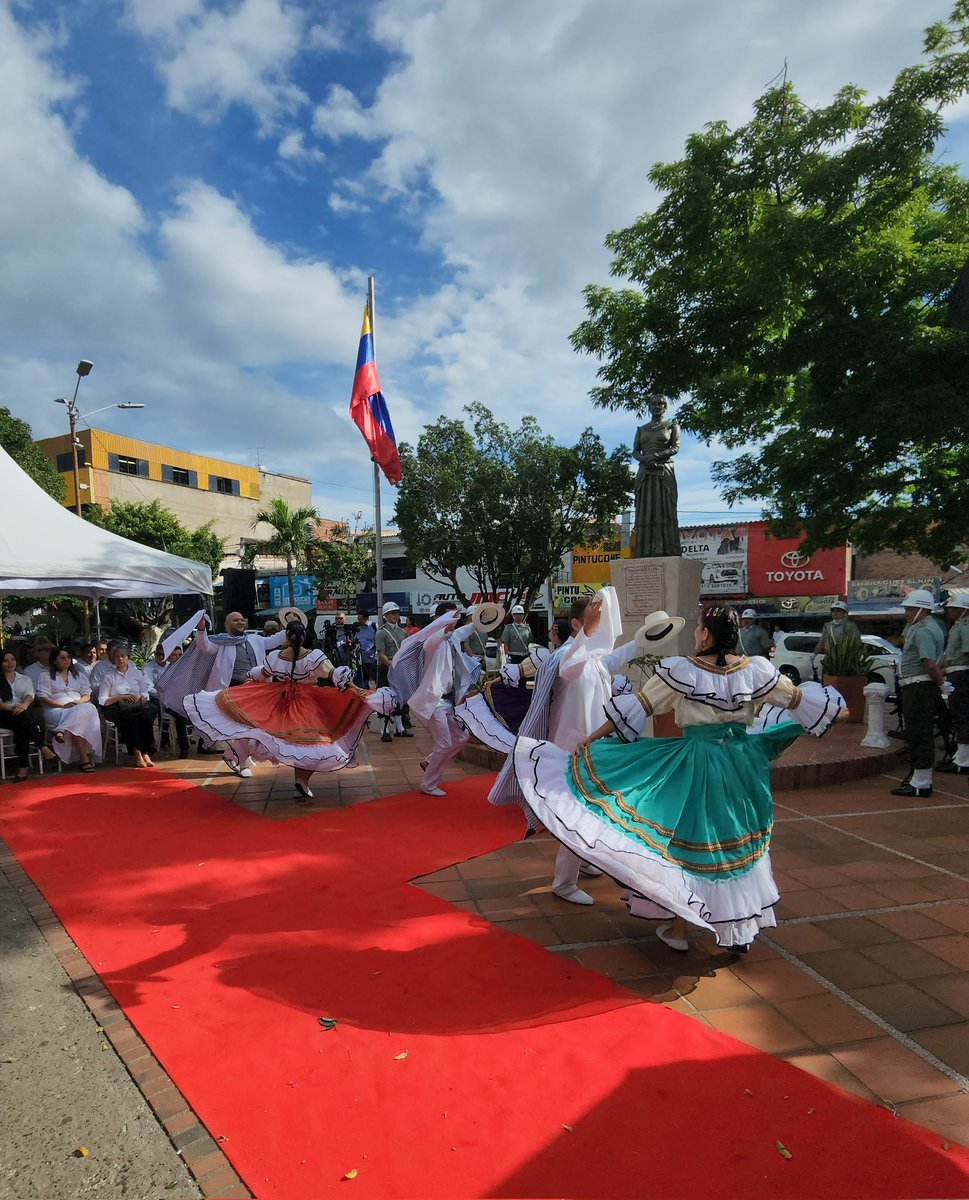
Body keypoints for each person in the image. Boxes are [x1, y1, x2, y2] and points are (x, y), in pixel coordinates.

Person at [513, 605, 845, 951]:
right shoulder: (756, 670)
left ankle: (681, 932)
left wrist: (590, 739)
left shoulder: (683, 671)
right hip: (744, 764)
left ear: (704, 634)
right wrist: (839, 709)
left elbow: (638, 707)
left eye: (698, 627)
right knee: (738, 843)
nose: (696, 633)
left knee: (697, 847)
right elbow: (799, 700)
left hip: (700, 763)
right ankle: (739, 931)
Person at [490, 589, 658, 905]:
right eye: (597, 622)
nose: (604, 628)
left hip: (591, 747)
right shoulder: (565, 656)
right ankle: (564, 883)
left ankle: (583, 862)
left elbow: (610, 660)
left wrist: (642, 641)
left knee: (590, 810)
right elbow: (571, 667)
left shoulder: (590, 657)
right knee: (577, 815)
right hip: (569, 749)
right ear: (580, 624)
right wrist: (590, 631)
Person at [183, 619, 396, 800]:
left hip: (279, 701)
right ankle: (301, 780)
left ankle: (239, 755)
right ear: (304, 636)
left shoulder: (276, 657)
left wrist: (249, 679)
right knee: (311, 744)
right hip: (307, 703)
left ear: (288, 636)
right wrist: (356, 690)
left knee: (260, 731)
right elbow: (333, 675)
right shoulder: (314, 656)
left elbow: (261, 675)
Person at [156, 610, 287, 768]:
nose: (240, 622)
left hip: (256, 689)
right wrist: (202, 629)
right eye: (235, 620)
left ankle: (234, 755)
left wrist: (292, 625)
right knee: (239, 726)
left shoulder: (256, 639)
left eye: (241, 620)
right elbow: (204, 645)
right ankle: (241, 760)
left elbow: (275, 640)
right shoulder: (220, 642)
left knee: (254, 726)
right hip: (231, 690)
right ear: (227, 625)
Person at [391, 603, 492, 796]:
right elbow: (433, 640)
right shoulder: (431, 640)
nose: (454, 620)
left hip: (447, 701)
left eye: (455, 617)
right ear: (438, 619)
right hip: (434, 700)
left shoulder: (451, 639)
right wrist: (444, 624)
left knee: (461, 737)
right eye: (449, 617)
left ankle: (429, 761)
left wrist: (481, 617)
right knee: (445, 743)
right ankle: (428, 784)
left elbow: (467, 629)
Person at [891, 589, 946, 798]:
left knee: (920, 733)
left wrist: (941, 685)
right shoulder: (923, 626)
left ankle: (921, 782)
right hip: (916, 686)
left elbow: (930, 664)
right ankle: (919, 778)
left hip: (919, 687)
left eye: (910, 608)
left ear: (922, 609)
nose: (906, 612)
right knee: (917, 732)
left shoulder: (923, 630)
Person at [631, 395, 681, 558]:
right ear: (649, 407)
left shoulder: (672, 426)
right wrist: (645, 459)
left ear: (666, 407)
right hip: (645, 472)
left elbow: (675, 447)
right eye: (653, 403)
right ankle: (644, 551)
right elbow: (635, 452)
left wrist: (656, 456)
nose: (657, 406)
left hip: (663, 470)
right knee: (645, 509)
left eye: (661, 403)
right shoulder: (641, 429)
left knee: (664, 508)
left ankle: (667, 549)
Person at [36, 648, 102, 770]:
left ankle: (62, 730)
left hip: (78, 706)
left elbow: (87, 694)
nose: (67, 660)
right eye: (62, 657)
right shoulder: (45, 676)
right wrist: (62, 705)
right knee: (79, 717)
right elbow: (42, 697)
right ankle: (84, 760)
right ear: (54, 661)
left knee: (87, 708)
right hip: (56, 709)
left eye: (68, 657)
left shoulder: (79, 675)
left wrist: (78, 702)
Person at [0, 650, 55, 780]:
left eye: (12, 659)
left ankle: (23, 768)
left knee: (21, 725)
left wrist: (23, 705)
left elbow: (29, 695)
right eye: (6, 660)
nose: (10, 663)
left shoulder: (24, 678)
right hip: (3, 713)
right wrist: (13, 707)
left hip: (21, 713)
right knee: (22, 719)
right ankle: (42, 747)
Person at [99, 643, 156, 768]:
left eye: (123, 656)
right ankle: (137, 752)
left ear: (128, 658)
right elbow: (102, 700)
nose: (120, 659)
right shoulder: (109, 676)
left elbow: (145, 693)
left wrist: (140, 696)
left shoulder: (136, 673)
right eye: (117, 656)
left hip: (136, 704)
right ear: (113, 659)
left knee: (147, 715)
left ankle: (146, 752)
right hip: (116, 706)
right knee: (129, 718)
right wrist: (122, 697)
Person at [940, 591, 969, 775]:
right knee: (957, 713)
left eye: (953, 608)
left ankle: (964, 760)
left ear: (963, 610)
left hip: (961, 673)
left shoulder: (965, 627)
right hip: (955, 672)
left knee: (962, 714)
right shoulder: (958, 626)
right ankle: (961, 755)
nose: (950, 611)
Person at [145, 644, 190, 758]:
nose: (161, 657)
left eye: (163, 655)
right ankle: (183, 747)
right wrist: (165, 693)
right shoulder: (148, 668)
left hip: (176, 700)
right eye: (158, 654)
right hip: (159, 700)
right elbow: (148, 688)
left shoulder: (173, 667)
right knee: (178, 715)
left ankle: (192, 740)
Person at [375, 601, 412, 742]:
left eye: (397, 613)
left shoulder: (403, 632)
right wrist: (390, 665)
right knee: (385, 698)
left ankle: (400, 728)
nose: (395, 616)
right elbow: (381, 653)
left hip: (400, 668)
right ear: (385, 615)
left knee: (399, 698)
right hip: (387, 668)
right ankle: (383, 730)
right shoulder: (381, 632)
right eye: (392, 613)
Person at [352, 610, 378, 689]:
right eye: (358, 618)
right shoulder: (359, 629)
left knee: (373, 678)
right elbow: (355, 640)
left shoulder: (373, 626)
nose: (359, 621)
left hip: (373, 657)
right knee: (363, 678)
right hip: (362, 658)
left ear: (366, 618)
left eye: (360, 619)